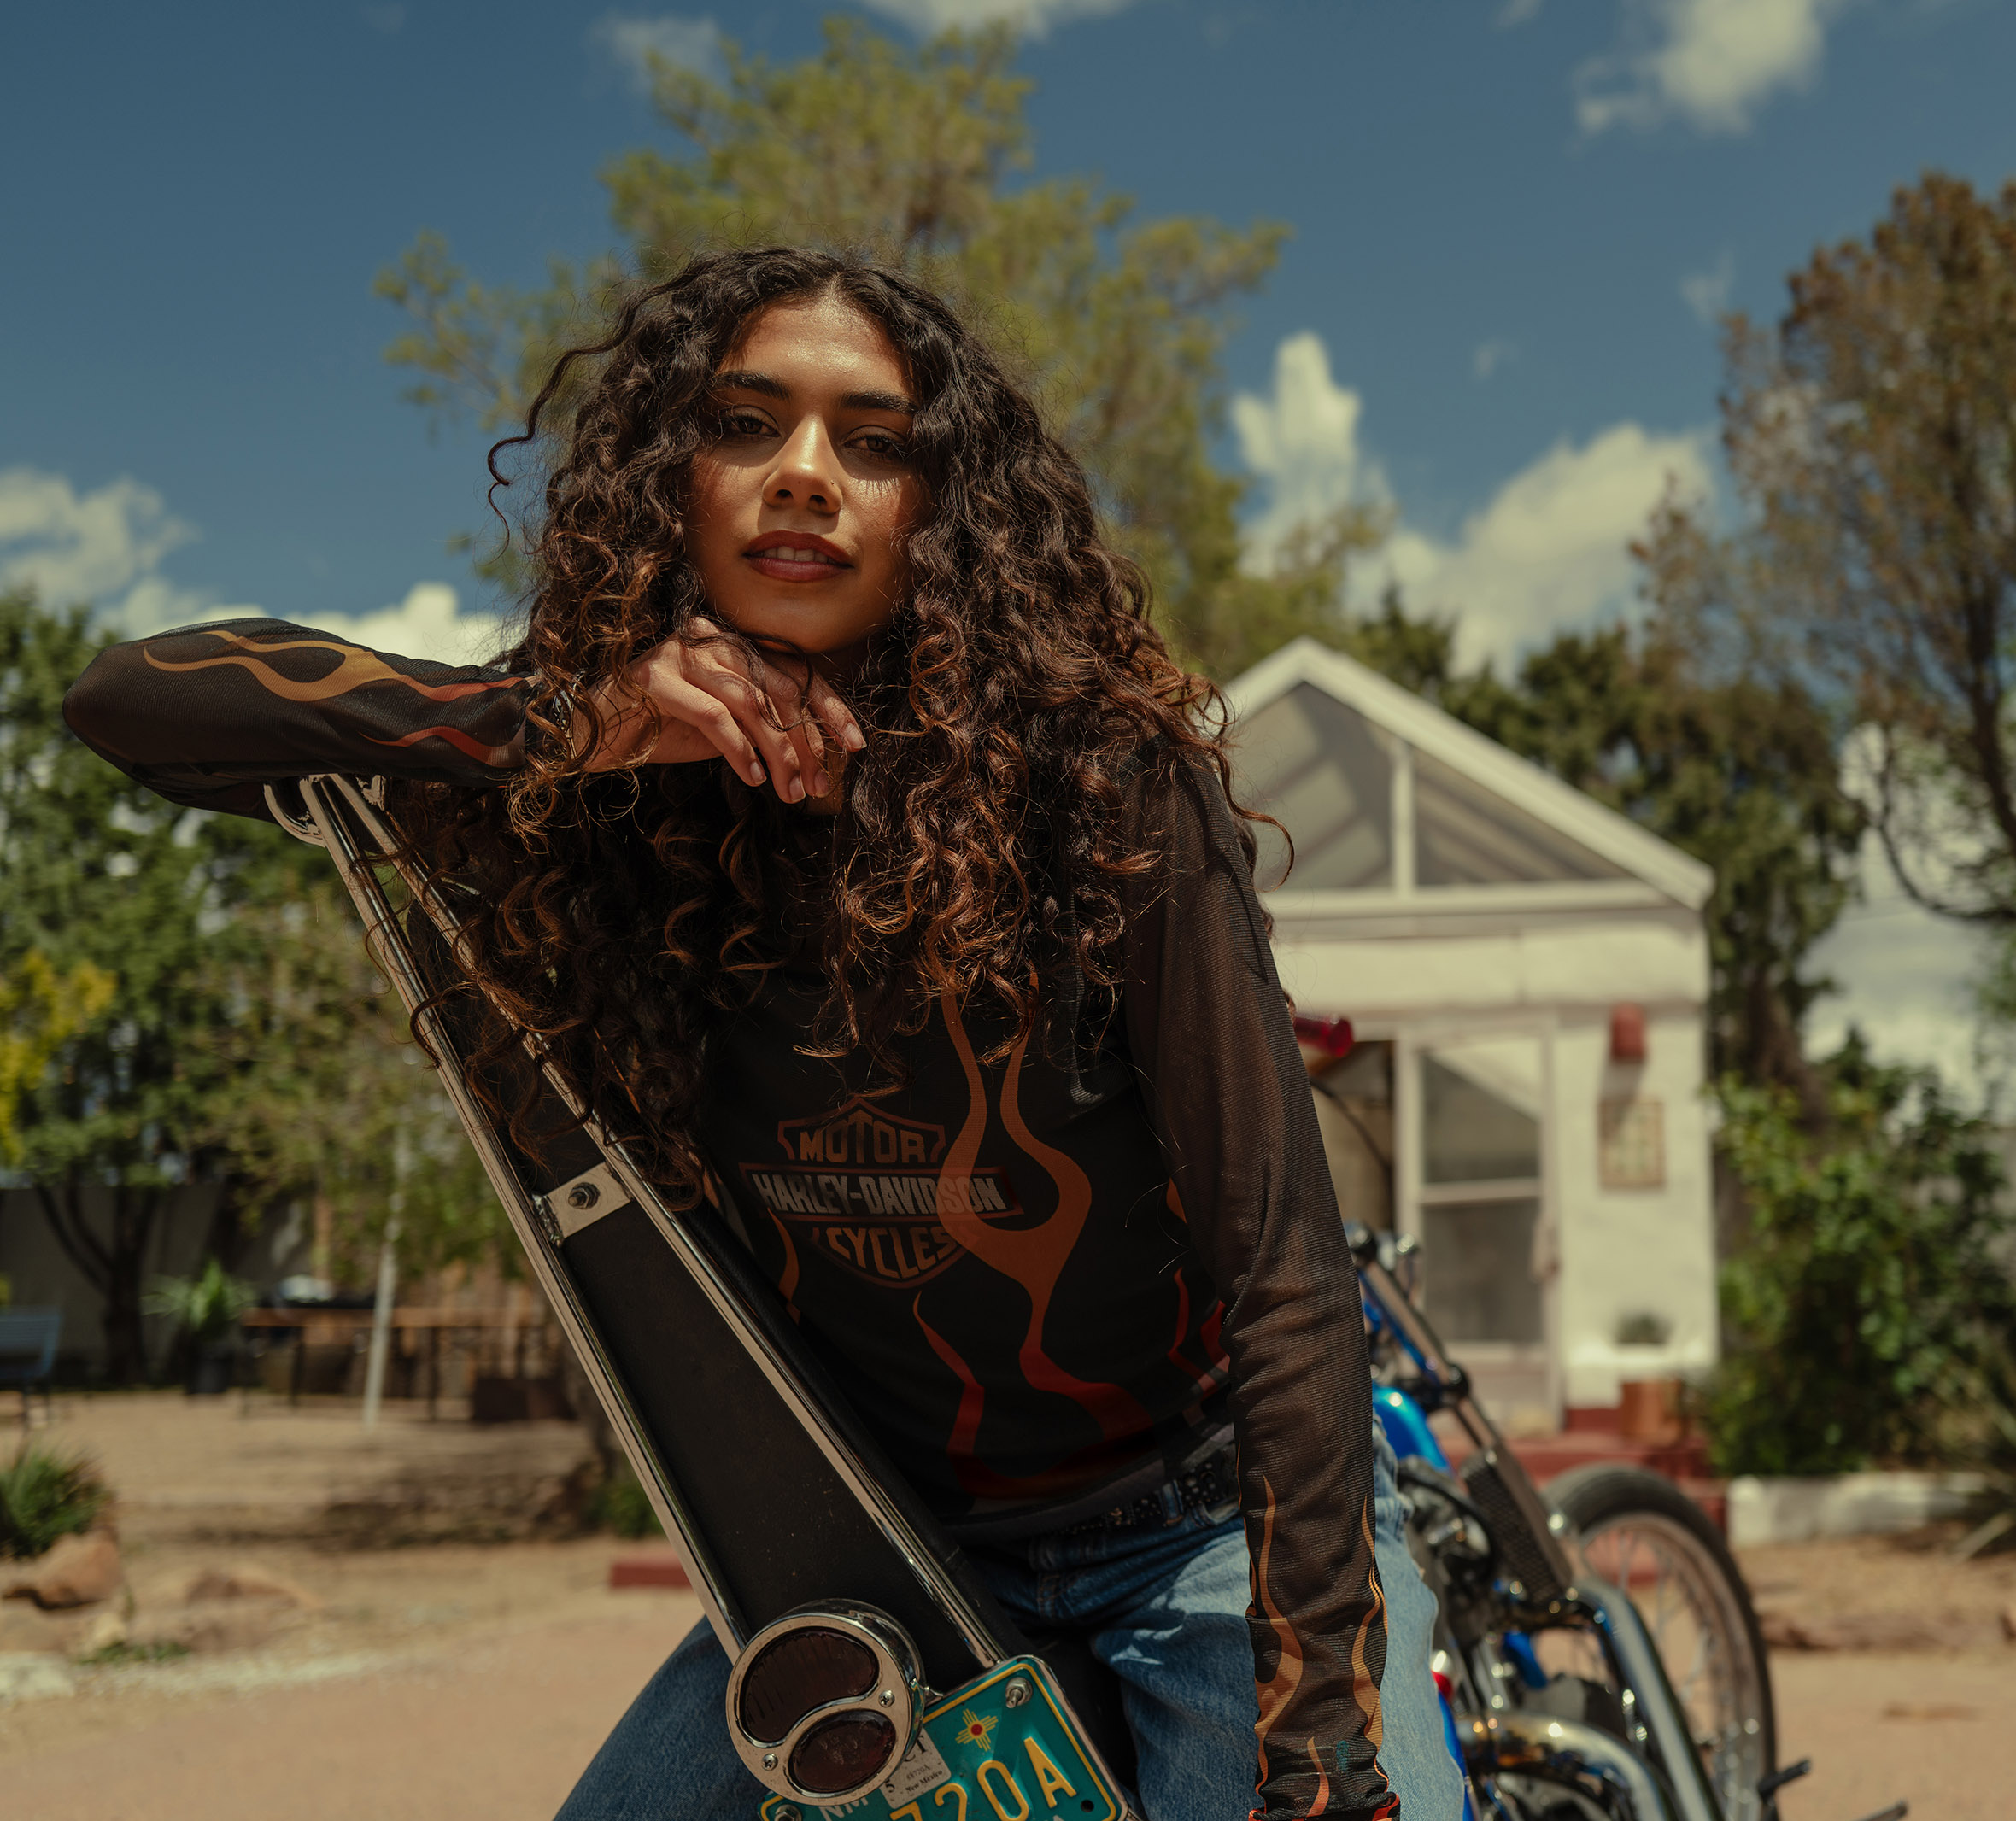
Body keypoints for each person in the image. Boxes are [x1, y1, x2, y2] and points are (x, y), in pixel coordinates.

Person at [64, 248, 1465, 1821]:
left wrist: (1317, 1735)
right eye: (749, 423)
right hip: (884, 1554)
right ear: (675, 473)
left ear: (942, 508)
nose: (807, 475)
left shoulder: (1100, 790)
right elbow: (132, 700)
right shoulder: (592, 801)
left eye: (875, 442)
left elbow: (1285, 1272)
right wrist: (565, 726)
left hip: (1206, 1534)